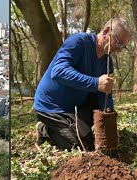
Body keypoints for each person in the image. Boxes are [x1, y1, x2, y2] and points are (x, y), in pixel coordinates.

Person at [34, 17, 131, 151]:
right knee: (82, 146)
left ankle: (75, 127)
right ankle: (45, 130)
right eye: (119, 43)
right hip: (51, 106)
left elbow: (105, 94)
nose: (120, 50)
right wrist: (96, 83)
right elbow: (58, 71)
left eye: (123, 46)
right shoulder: (78, 41)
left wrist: (109, 123)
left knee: (94, 140)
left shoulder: (107, 63)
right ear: (106, 31)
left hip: (77, 105)